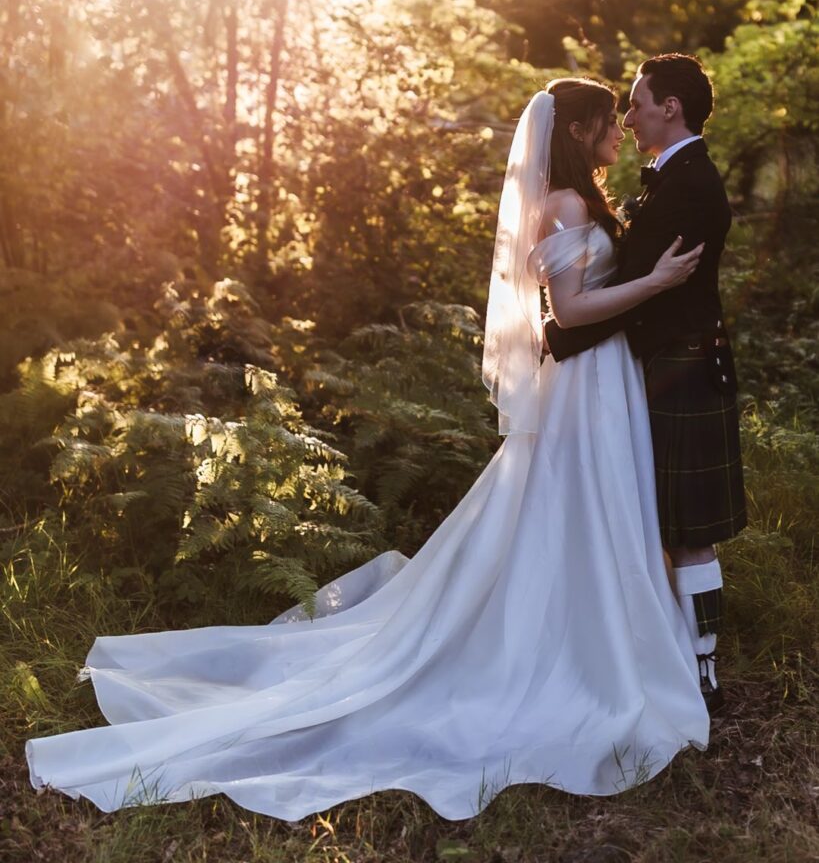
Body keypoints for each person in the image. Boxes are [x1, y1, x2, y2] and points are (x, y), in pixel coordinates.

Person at [26, 78, 710, 823]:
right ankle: (589, 653)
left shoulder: (585, 201)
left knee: (592, 512)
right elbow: (571, 310)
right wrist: (654, 283)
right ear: (577, 132)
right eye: (609, 121)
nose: (620, 130)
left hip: (596, 384)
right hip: (583, 385)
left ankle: (607, 639)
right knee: (580, 508)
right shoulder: (568, 205)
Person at [545, 55, 748, 715]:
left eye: (635, 104)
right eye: (622, 109)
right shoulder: (667, 178)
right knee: (653, 523)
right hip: (650, 369)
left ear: (671, 109)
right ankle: (661, 651)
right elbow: (622, 280)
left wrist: (561, 335)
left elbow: (638, 288)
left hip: (680, 368)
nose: (627, 116)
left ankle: (701, 666)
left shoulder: (691, 185)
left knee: (688, 530)